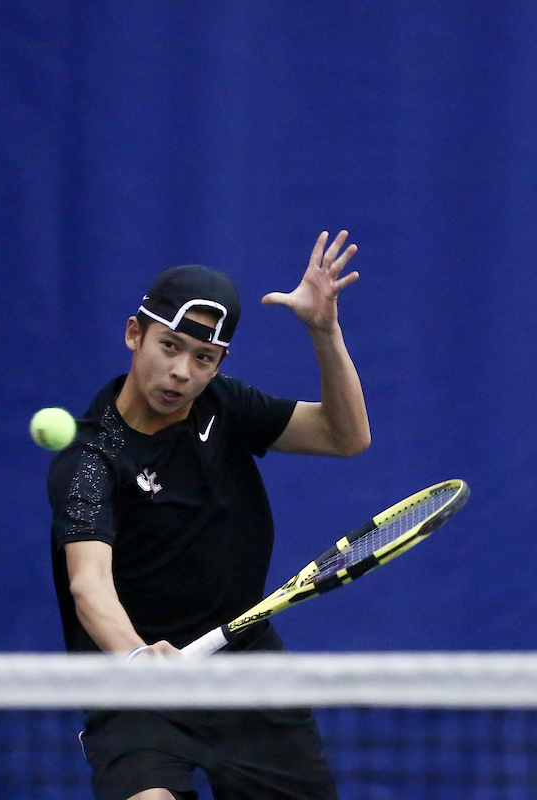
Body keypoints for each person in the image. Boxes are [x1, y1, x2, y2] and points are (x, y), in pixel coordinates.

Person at [47, 230, 370, 800]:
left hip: (244, 667)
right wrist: (140, 658)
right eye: (170, 346)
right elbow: (89, 585)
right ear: (134, 334)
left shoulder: (225, 408)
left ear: (219, 364)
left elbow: (347, 437)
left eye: (204, 358)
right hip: (138, 686)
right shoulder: (92, 460)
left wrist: (325, 333)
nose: (183, 372)